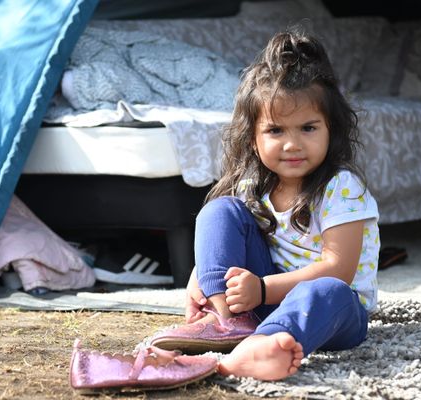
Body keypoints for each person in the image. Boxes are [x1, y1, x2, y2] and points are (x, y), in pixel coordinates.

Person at [152, 29, 380, 381]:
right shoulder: (253, 186)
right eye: (276, 131)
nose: (292, 144)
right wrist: (201, 280)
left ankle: (258, 346)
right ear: (253, 138)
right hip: (260, 298)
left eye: (307, 128)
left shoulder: (341, 187)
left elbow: (339, 269)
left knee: (329, 290)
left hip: (332, 313)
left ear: (330, 130)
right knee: (219, 210)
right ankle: (227, 319)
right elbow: (226, 243)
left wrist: (260, 289)